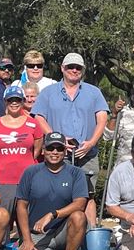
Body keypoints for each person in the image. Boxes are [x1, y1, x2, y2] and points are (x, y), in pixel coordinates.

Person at [34, 52, 109, 225]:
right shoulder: (48, 92)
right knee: (58, 194)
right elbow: (39, 117)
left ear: (83, 70)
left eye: (78, 67)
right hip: (58, 154)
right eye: (70, 67)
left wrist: (91, 143)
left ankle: (90, 237)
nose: (74, 70)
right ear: (62, 68)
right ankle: (58, 233)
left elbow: (102, 118)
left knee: (88, 196)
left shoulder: (94, 92)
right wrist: (56, 139)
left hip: (87, 154)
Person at [11, 131, 88, 250]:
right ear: (43, 150)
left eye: (59, 149)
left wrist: (53, 214)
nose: (54, 152)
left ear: (65, 151)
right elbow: (21, 206)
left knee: (79, 216)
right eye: (50, 148)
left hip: (63, 230)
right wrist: (26, 240)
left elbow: (80, 203)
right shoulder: (31, 172)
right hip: (38, 233)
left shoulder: (76, 172)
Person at [0, 84, 45, 215]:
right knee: (3, 219)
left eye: (18, 100)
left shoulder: (33, 123)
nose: (14, 103)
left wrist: (28, 161)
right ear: (5, 101)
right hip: (2, 179)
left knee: (27, 219)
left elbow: (37, 147)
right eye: (10, 100)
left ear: (23, 101)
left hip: (27, 178)